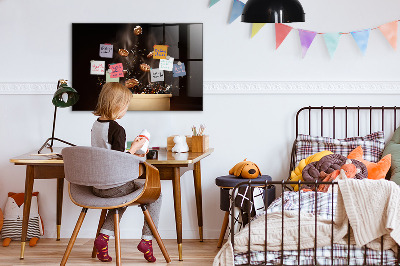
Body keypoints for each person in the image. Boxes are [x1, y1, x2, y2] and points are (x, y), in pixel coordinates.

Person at [91, 82, 161, 263]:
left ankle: (103, 238)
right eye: (126, 106)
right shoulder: (117, 129)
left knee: (121, 197)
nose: (126, 110)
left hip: (97, 186)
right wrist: (136, 148)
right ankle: (147, 240)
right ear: (117, 105)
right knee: (156, 194)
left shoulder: (96, 125)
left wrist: (131, 149)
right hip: (114, 186)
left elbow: (108, 154)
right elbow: (119, 161)